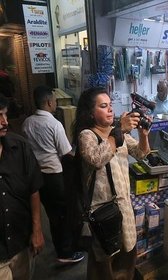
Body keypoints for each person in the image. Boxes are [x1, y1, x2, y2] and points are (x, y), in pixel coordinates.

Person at [73, 87, 150, 280]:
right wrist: (119, 131)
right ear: (91, 112)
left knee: (127, 253)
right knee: (104, 261)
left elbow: (141, 154)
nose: (110, 110)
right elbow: (97, 158)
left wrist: (143, 134)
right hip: (102, 211)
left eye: (110, 105)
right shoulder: (87, 136)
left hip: (123, 206)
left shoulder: (117, 132)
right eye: (103, 106)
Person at [21, 86, 84, 263]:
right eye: (55, 100)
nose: (56, 103)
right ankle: (66, 253)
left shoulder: (27, 123)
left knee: (53, 215)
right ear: (49, 102)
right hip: (55, 177)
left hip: (38, 178)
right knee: (65, 213)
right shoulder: (54, 124)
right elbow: (65, 152)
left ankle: (61, 247)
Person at [0, 93, 44, 280]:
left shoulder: (19, 147)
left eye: (5, 114)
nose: (5, 122)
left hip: (21, 242)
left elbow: (33, 190)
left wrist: (37, 230)